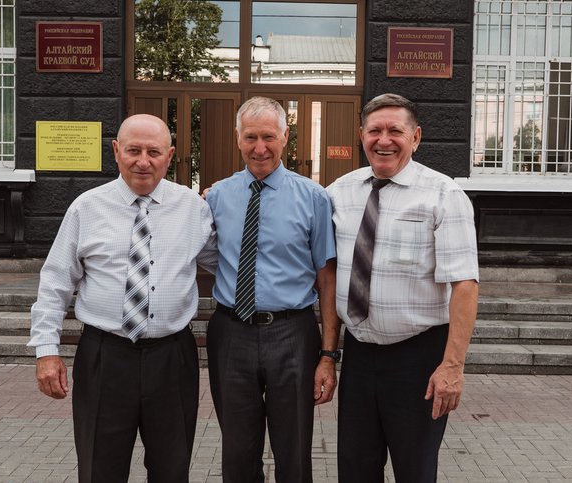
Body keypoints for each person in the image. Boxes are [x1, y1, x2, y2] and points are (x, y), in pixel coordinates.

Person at [28, 114, 216, 483]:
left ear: (170, 155)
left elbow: (227, 263)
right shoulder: (87, 207)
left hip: (172, 358)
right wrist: (46, 351)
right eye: (133, 150)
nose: (142, 161)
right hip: (105, 357)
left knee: (171, 470)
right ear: (116, 151)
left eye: (153, 151)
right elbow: (55, 281)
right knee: (100, 469)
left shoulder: (194, 208)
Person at [326, 93, 479, 482]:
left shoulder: (444, 195)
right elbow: (327, 273)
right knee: (355, 471)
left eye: (396, 130)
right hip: (359, 357)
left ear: (416, 137)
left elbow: (465, 284)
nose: (384, 140)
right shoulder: (339, 192)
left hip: (418, 360)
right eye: (375, 130)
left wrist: (452, 366)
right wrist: (329, 353)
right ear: (361, 135)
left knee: (414, 471)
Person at [204, 96, 340, 483]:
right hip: (231, 332)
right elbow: (208, 255)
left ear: (285, 136)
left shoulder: (313, 198)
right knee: (237, 451)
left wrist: (328, 354)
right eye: (250, 137)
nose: (259, 147)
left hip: (292, 332)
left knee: (293, 450)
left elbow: (327, 279)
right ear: (237, 138)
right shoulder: (216, 197)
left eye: (269, 136)